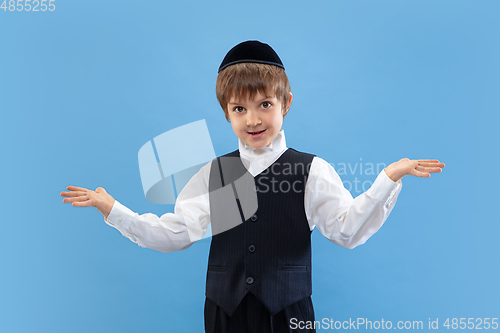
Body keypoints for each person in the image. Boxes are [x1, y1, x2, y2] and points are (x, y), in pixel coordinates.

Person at [60, 40, 445, 333]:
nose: (253, 119)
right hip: (225, 312)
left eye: (264, 105)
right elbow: (177, 232)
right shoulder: (218, 173)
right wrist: (114, 210)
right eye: (239, 109)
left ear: (286, 104)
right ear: (226, 113)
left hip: (289, 312)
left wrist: (387, 179)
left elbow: (346, 231)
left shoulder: (310, 171)